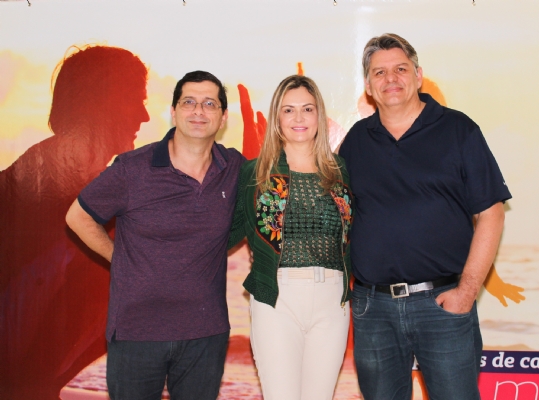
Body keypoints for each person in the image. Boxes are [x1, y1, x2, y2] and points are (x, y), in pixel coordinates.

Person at [339, 33, 511, 400]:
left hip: (443, 304)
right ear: (368, 86)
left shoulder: (459, 130)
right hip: (373, 308)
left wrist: (466, 293)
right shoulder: (356, 140)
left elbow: (491, 214)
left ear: (418, 75)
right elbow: (337, 215)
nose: (391, 78)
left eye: (401, 69)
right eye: (379, 72)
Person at [65, 70, 245, 400]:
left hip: (205, 334)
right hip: (137, 331)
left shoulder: (234, 168)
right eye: (189, 102)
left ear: (223, 118)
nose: (199, 111)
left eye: (209, 103)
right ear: (174, 112)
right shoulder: (132, 168)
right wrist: (120, 258)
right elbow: (77, 216)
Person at [0, 45, 149, 399]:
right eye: (136, 100)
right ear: (104, 101)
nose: (145, 116)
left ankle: (37, 386)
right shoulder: (57, 167)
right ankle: (29, 387)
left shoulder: (62, 162)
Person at [228, 75, 353, 400]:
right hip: (276, 299)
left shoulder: (340, 170)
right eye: (289, 110)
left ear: (319, 115)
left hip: (332, 303)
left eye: (308, 109)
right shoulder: (255, 173)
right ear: (277, 118)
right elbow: (222, 235)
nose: (299, 117)